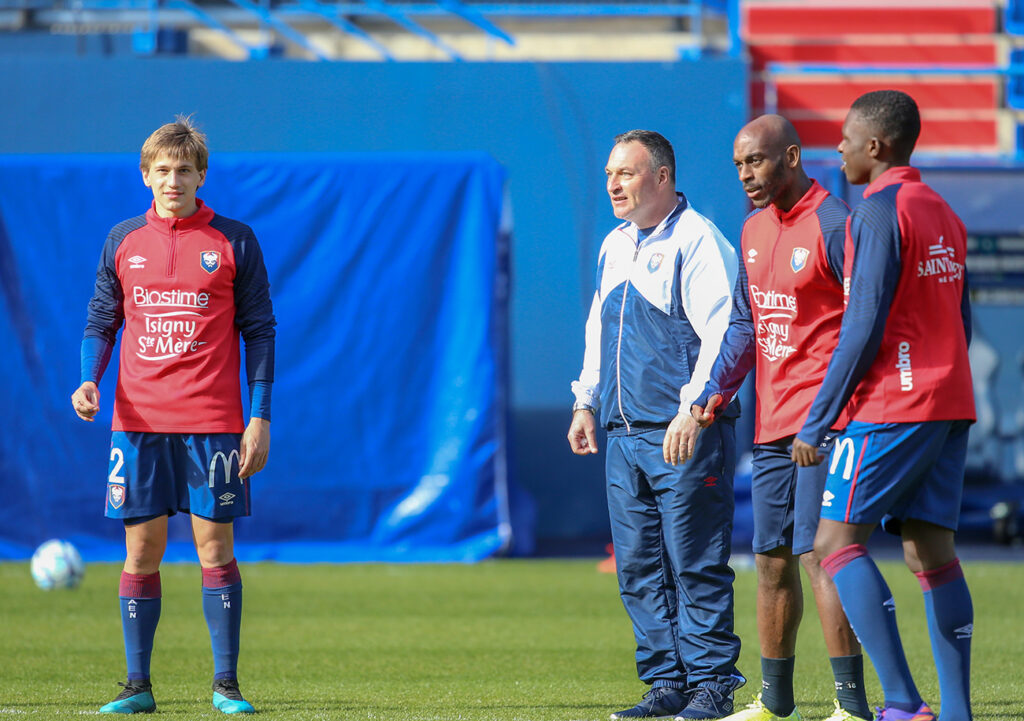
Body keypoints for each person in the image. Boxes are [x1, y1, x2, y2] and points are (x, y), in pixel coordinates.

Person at [70, 116, 276, 715]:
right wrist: (89, 380)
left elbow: (260, 331)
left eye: (184, 169)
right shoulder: (123, 241)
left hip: (212, 422)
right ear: (145, 176)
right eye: (162, 170)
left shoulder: (234, 241)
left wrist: (257, 416)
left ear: (202, 175)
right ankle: (138, 687)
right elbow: (101, 321)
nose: (173, 179)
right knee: (141, 553)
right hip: (136, 425)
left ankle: (226, 686)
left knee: (214, 550)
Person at [676, 115, 871, 721]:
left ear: (790, 156)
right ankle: (775, 701)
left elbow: (864, 330)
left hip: (828, 426)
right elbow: (744, 324)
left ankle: (851, 705)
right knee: (769, 560)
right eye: (738, 166)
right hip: (771, 428)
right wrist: (711, 393)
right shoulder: (753, 229)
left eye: (755, 162)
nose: (745, 176)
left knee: (822, 556)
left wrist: (837, 414)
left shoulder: (838, 225)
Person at [792, 90, 975, 721]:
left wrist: (818, 418)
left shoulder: (874, 211)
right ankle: (955, 712)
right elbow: (962, 318)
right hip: (951, 401)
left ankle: (902, 703)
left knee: (833, 544)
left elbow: (862, 322)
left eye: (846, 136)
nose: (837, 147)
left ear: (876, 146)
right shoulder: (942, 210)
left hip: (895, 403)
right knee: (931, 553)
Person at [568, 129, 745, 720]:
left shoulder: (699, 241)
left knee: (695, 560)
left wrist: (694, 410)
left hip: (681, 432)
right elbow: (599, 326)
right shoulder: (615, 244)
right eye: (610, 174)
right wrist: (585, 400)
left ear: (662, 176)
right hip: (622, 434)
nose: (613, 184)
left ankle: (713, 683)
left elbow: (726, 335)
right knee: (639, 566)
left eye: (626, 172)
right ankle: (667, 682)